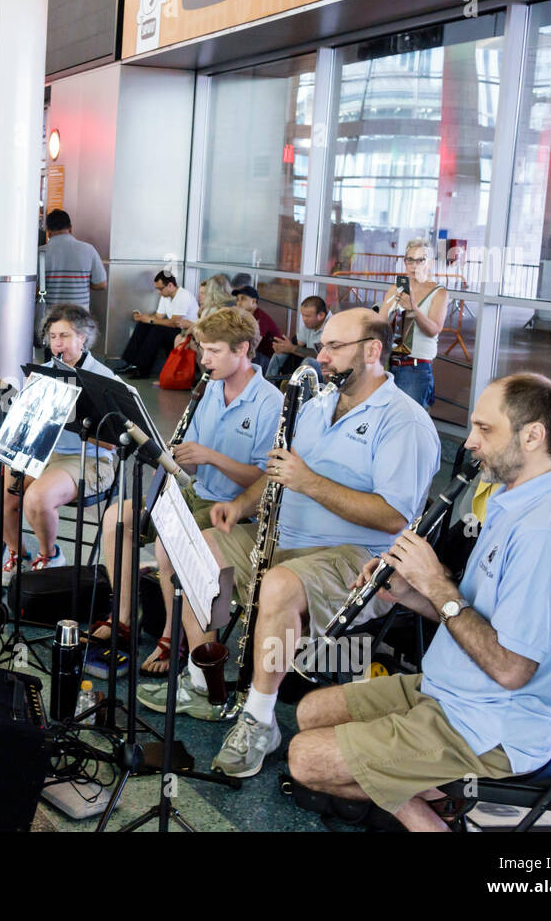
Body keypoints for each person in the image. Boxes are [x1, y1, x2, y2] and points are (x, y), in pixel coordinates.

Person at [137, 309, 440, 777]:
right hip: (281, 539)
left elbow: (394, 516)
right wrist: (240, 506)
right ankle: (204, 681)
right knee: (188, 548)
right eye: (322, 346)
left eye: (333, 347)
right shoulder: (318, 406)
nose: (321, 357)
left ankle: (259, 720)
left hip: (358, 560)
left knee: (277, 585)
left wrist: (312, 483)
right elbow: (279, 471)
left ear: (373, 350)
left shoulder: (405, 422)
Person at [289, 374, 551, 831]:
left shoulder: (544, 535)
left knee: (305, 759)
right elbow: (472, 618)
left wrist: (437, 583)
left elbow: (512, 669)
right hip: (452, 688)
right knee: (309, 711)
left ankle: (428, 821)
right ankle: (428, 797)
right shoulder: (513, 502)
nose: (470, 442)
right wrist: (411, 592)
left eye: (485, 430)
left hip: (491, 726)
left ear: (533, 435)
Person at [95, 308, 282, 674]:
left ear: (242, 349)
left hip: (238, 508)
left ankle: (173, 636)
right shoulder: (210, 389)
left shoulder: (269, 403)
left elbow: (266, 481)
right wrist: (169, 456)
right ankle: (124, 619)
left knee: (170, 540)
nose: (204, 359)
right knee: (119, 518)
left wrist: (211, 456)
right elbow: (192, 465)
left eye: (213, 351)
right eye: (203, 350)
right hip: (199, 491)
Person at [0, 304, 117, 584]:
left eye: (65, 336)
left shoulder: (105, 378)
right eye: (53, 337)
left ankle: (50, 556)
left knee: (38, 498)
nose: (57, 344)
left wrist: (69, 418)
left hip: (90, 458)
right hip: (43, 453)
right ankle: (17, 554)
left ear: (83, 338)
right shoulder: (43, 371)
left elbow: (113, 443)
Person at [380, 239, 449, 410]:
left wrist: (413, 309)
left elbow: (434, 330)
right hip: (390, 363)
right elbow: (380, 323)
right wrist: (389, 310)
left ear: (430, 263)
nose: (414, 265)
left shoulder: (439, 292)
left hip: (416, 367)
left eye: (420, 260)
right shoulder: (397, 287)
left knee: (408, 421)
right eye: (409, 260)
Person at [109, 271, 198, 379]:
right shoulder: (166, 296)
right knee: (143, 325)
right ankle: (130, 362)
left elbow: (174, 323)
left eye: (161, 289)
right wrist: (143, 318)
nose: (159, 292)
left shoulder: (183, 296)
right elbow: (158, 317)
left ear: (170, 285)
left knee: (157, 330)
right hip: (175, 329)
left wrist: (150, 320)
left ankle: (143, 369)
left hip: (186, 332)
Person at [39, 208, 106, 310]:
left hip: (51, 319)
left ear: (48, 230)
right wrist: (80, 282)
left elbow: (34, 289)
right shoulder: (88, 250)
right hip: (80, 319)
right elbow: (101, 284)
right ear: (70, 228)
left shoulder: (40, 253)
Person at [268, 295, 331, 378]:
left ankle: (295, 388)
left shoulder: (332, 327)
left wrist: (291, 348)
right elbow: (298, 345)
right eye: (303, 315)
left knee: (309, 361)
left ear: (321, 315)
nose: (304, 319)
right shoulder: (311, 324)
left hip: (327, 372)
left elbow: (319, 355)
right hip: (309, 367)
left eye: (308, 316)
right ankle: (269, 382)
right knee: (279, 355)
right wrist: (283, 348)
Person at [231, 278, 284, 372]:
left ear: (254, 301)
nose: (238, 303)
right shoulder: (246, 316)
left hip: (271, 362)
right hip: (259, 356)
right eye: (237, 299)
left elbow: (253, 346)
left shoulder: (260, 318)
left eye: (243, 299)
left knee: (242, 354)